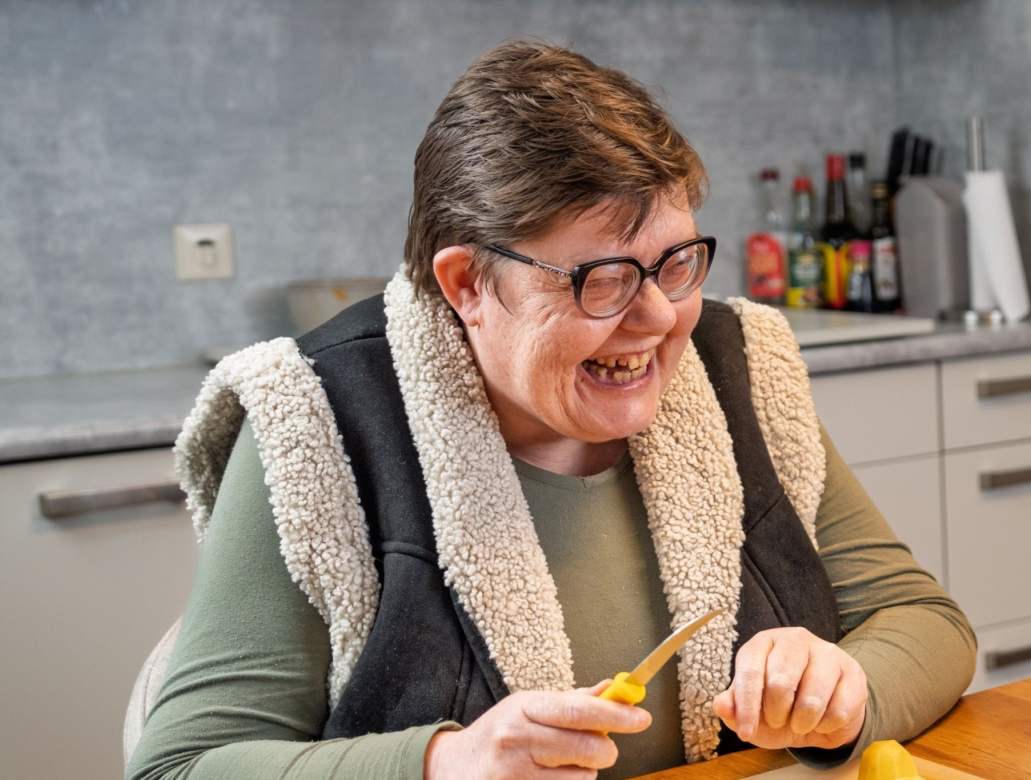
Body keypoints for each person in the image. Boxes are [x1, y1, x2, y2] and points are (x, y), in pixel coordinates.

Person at [127, 41, 974, 780]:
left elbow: (928, 626)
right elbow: (181, 765)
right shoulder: (316, 426)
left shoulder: (734, 368)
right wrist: (443, 763)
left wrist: (845, 690)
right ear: (466, 284)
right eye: (599, 280)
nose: (655, 320)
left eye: (676, 263)